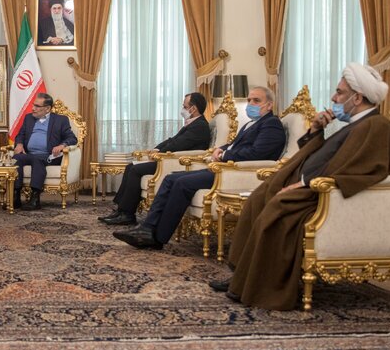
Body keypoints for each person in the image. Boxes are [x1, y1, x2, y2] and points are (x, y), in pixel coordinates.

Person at [209, 64, 390, 310]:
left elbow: (356, 169)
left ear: (357, 98)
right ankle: (242, 277)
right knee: (258, 198)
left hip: (323, 194)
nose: (333, 98)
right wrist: (315, 130)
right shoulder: (356, 124)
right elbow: (324, 157)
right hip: (310, 185)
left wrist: (304, 184)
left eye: (339, 92)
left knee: (277, 208)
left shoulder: (375, 126)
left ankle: (261, 285)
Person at [114, 86, 286, 250]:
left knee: (182, 183)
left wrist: (224, 155)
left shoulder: (271, 124)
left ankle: (157, 237)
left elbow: (257, 153)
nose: (250, 104)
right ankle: (147, 228)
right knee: (171, 178)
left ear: (269, 105)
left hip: (234, 174)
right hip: (223, 169)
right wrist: (221, 149)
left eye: (256, 100)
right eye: (249, 100)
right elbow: (233, 145)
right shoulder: (252, 124)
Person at [100, 92, 211, 226]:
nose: (182, 109)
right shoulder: (193, 123)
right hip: (168, 160)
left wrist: (159, 154)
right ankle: (121, 210)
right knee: (130, 167)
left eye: (184, 106)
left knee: (135, 170)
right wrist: (157, 149)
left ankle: (127, 215)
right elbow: (172, 140)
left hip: (177, 163)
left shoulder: (200, 126)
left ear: (193, 108)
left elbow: (178, 145)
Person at [12, 92, 79, 211]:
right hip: (29, 154)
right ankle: (16, 196)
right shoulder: (28, 118)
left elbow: (72, 138)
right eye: (33, 105)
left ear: (47, 108)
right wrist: (20, 144)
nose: (33, 108)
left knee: (37, 159)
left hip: (49, 155)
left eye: (37, 106)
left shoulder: (60, 120)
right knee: (16, 158)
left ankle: (35, 198)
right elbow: (20, 135)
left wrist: (62, 145)